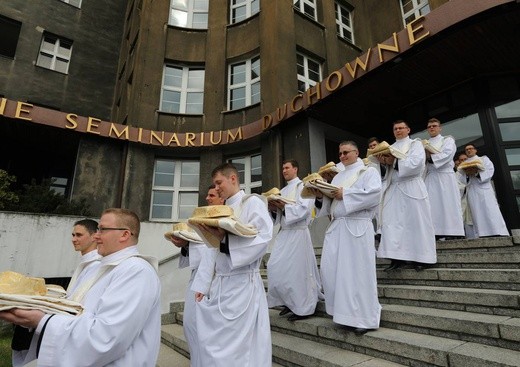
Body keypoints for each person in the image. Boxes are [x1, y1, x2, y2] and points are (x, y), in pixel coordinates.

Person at [0, 208, 162, 367]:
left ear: (125, 234)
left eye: (103, 229)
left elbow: (106, 337)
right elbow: (79, 311)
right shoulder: (109, 268)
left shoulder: (136, 271)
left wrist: (42, 320)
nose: (96, 236)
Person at [192, 163, 273, 367]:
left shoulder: (252, 203)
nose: (216, 188)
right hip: (222, 283)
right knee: (215, 341)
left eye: (219, 182)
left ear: (233, 179)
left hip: (242, 283)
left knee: (238, 347)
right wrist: (203, 284)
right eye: (214, 184)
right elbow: (212, 248)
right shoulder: (221, 209)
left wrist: (226, 241)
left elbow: (263, 238)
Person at [313, 141, 382, 335]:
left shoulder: (368, 172)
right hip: (337, 227)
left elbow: (375, 195)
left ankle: (364, 318)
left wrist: (347, 193)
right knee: (332, 271)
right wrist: (320, 195)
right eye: (340, 153)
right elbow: (328, 206)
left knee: (357, 272)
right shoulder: (337, 177)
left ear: (356, 152)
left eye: (346, 152)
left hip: (357, 225)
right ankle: (344, 315)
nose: (342, 156)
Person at [167, 185, 221, 366]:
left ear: (222, 199)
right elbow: (199, 249)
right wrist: (184, 245)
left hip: (216, 276)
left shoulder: (227, 219)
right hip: (198, 275)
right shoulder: (201, 218)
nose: (207, 197)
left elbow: (213, 248)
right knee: (190, 324)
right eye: (208, 193)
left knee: (206, 328)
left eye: (212, 194)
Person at [376, 120, 436, 271]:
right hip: (394, 188)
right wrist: (383, 162)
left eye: (401, 128)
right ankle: (397, 258)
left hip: (411, 186)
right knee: (394, 225)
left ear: (408, 130)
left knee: (416, 223)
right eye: (395, 128)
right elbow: (386, 171)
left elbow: (416, 164)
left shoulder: (415, 144)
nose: (398, 130)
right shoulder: (390, 147)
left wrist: (394, 161)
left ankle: (422, 258)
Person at [267, 159, 322, 322]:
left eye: (287, 168)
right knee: (275, 267)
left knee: (297, 271)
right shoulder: (282, 190)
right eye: (283, 168)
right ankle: (288, 302)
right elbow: (276, 219)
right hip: (284, 233)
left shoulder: (303, 187)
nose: (284, 170)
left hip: (298, 233)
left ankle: (304, 307)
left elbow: (304, 210)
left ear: (295, 169)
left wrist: (284, 207)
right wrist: (273, 209)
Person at [423, 118, 465, 240]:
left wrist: (431, 158)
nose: (432, 128)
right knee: (432, 204)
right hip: (431, 176)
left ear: (440, 128)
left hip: (445, 175)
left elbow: (448, 154)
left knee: (448, 202)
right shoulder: (424, 143)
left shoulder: (447, 140)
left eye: (434, 126)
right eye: (429, 126)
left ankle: (454, 231)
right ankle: (436, 231)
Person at [457, 144, 509, 237]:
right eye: (466, 150)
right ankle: (482, 233)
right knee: (477, 212)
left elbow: (490, 171)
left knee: (490, 210)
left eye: (470, 149)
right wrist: (468, 174)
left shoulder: (484, 159)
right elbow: (460, 178)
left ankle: (497, 231)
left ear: (475, 150)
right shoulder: (463, 164)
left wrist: (477, 173)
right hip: (472, 189)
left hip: (484, 189)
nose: (468, 151)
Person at [66, 219, 101, 299]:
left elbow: (79, 299)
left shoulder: (96, 265)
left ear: (94, 237)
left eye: (79, 235)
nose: (73, 239)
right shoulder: (87, 262)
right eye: (73, 235)